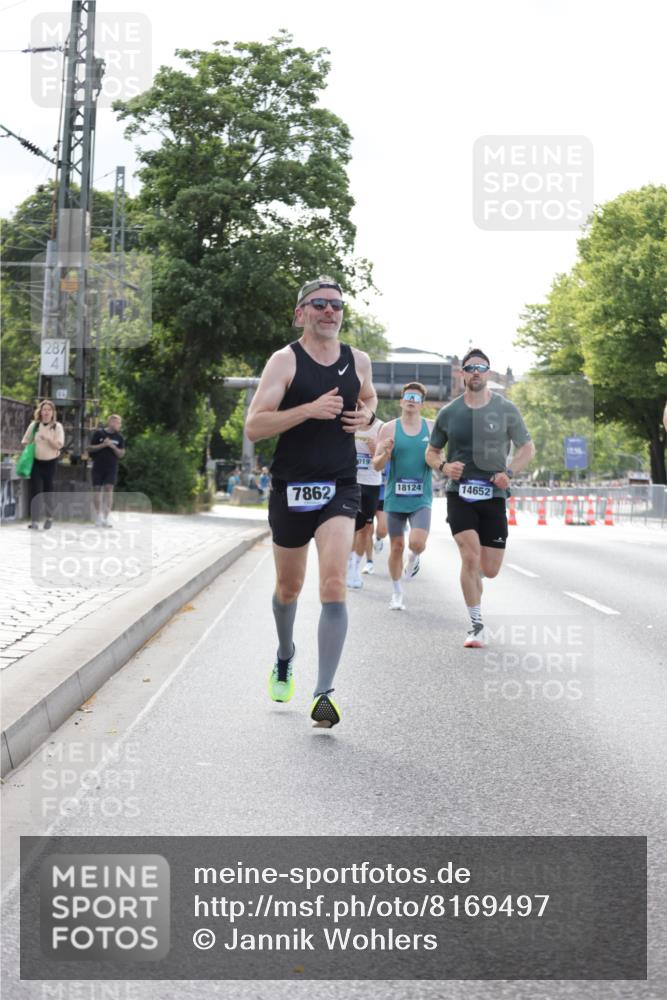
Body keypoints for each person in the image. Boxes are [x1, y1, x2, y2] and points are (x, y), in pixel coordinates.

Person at [245, 275, 377, 728]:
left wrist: (369, 414)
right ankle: (285, 654)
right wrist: (308, 410)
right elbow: (254, 426)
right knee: (289, 589)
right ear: (301, 312)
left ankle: (324, 693)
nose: (330, 311)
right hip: (291, 486)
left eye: (337, 305)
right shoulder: (284, 362)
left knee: (334, 583)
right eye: (319, 304)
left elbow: (370, 396)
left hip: (340, 484)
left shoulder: (358, 360)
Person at [426, 348, 535, 647]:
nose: (476, 372)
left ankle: (475, 582)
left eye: (481, 367)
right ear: (462, 373)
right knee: (469, 557)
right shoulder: (449, 413)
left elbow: (527, 448)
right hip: (459, 494)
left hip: (494, 495)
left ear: (487, 373)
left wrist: (509, 473)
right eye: (470, 367)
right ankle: (476, 625)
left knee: (489, 569)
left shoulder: (506, 409)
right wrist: (445, 467)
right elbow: (431, 452)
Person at [373, 383, 434, 610]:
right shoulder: (389, 429)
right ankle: (397, 592)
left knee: (417, 543)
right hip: (395, 498)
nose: (411, 400)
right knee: (396, 546)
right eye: (408, 396)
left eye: (416, 398)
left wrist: (439, 462)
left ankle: (415, 558)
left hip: (421, 498)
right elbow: (376, 465)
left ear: (421, 404)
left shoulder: (431, 428)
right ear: (401, 401)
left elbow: (439, 457)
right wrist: (386, 454)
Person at [346, 415, 383, 589]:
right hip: (350, 482)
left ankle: (355, 566)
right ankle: (347, 563)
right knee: (348, 526)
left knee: (365, 529)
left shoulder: (381, 427)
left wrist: (376, 450)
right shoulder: (347, 422)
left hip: (372, 484)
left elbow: (385, 460)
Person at [21, 399, 64, 530]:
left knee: (48, 490)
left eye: (49, 410)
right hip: (36, 462)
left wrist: (48, 439)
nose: (46, 412)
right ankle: (34, 520)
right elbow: (24, 441)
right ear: (40, 412)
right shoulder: (34, 426)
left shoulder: (57, 427)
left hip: (50, 462)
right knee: (35, 490)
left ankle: (49, 517)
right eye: (44, 409)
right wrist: (33, 444)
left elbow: (59, 445)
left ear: (53, 413)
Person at [88, 415, 126, 527]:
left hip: (112, 467)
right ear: (110, 422)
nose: (119, 425)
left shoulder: (119, 437)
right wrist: (103, 445)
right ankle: (98, 516)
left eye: (120, 423)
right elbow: (89, 448)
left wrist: (112, 446)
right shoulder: (99, 434)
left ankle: (106, 517)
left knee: (109, 489)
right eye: (117, 423)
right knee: (97, 490)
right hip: (98, 466)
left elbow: (121, 454)